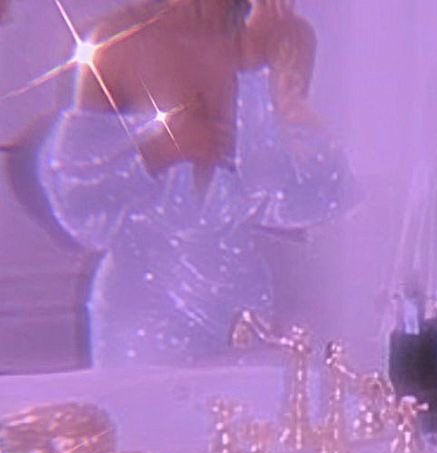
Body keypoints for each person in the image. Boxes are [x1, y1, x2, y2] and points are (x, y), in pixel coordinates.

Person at [37, 0, 356, 367]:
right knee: (146, 403)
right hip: (142, 306)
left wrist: (254, 66)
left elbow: (300, 195)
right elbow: (76, 196)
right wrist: (154, 155)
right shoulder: (115, 42)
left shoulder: (287, 37)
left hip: (243, 303)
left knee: (247, 403)